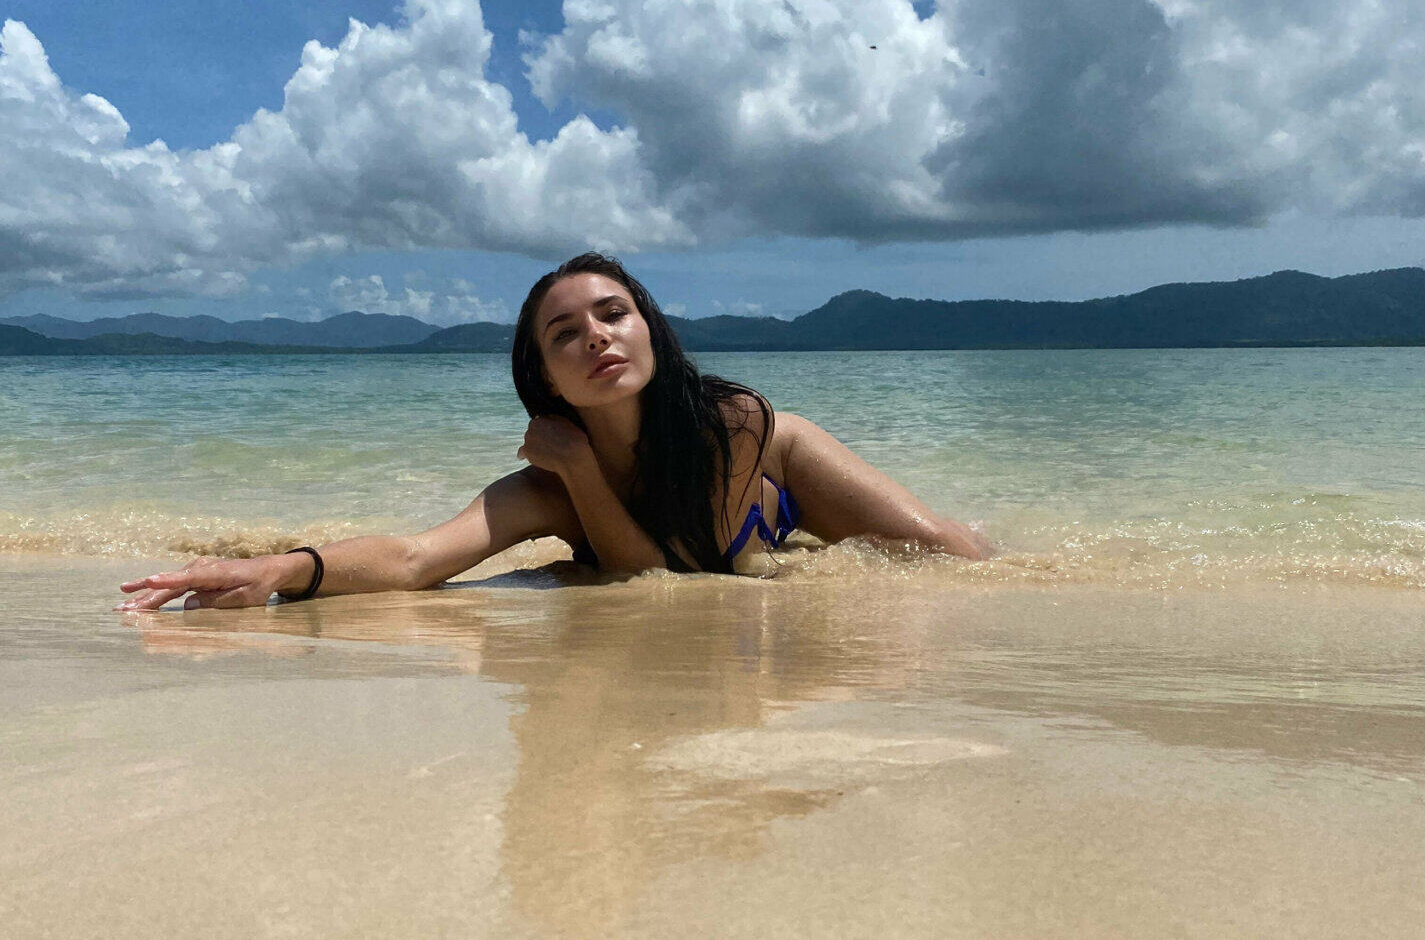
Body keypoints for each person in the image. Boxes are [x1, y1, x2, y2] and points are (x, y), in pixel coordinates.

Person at [116, 253, 990, 612]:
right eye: (565, 333)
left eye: (613, 314)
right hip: (712, 556)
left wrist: (580, 472)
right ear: (543, 376)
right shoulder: (543, 486)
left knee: (946, 552)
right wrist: (281, 571)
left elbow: (672, 568)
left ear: (651, 331)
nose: (596, 337)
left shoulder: (739, 424)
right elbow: (417, 560)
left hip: (780, 490)